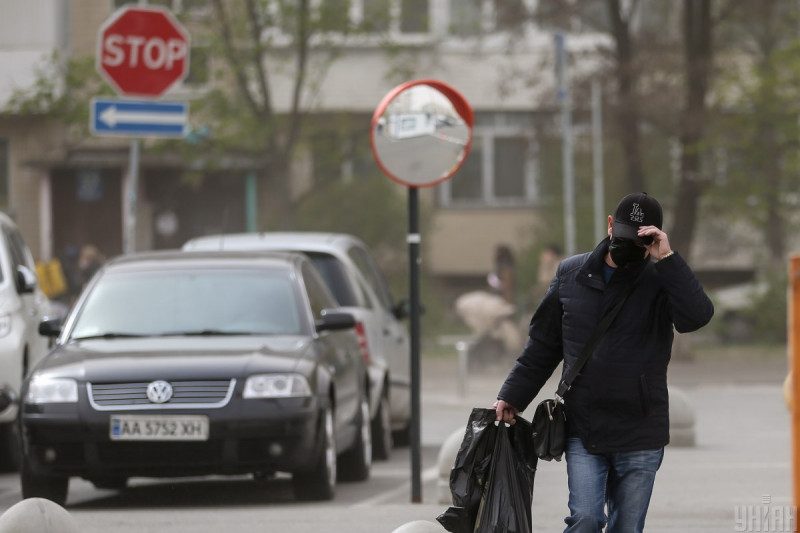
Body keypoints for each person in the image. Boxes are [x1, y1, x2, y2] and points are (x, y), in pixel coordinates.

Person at [493, 192, 714, 533]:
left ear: (653, 238)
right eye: (624, 234)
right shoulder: (571, 274)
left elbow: (696, 317)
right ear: (611, 225)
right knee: (586, 519)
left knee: (627, 528)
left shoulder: (660, 278)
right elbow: (543, 345)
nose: (628, 246)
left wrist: (667, 258)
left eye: (640, 240)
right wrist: (512, 395)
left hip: (641, 426)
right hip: (585, 425)